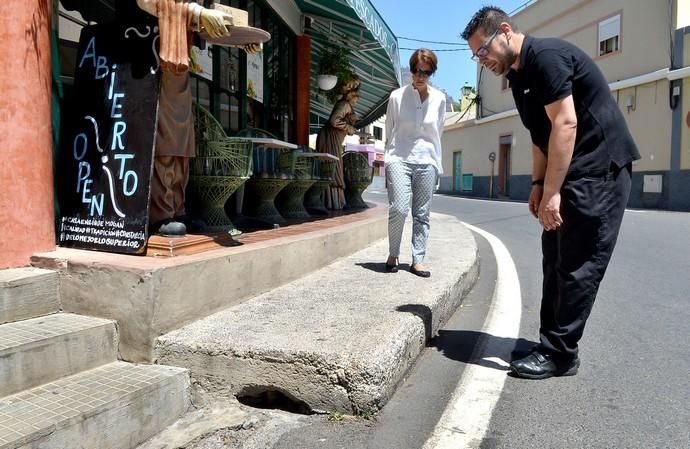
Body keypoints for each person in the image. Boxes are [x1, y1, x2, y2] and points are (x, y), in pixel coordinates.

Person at [461, 7, 640, 379]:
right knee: (554, 258)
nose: (482, 61)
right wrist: (539, 186)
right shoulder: (520, 77)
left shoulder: (546, 58)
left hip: (600, 169)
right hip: (571, 170)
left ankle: (561, 353)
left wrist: (554, 192)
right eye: (476, 57)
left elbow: (565, 122)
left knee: (578, 263)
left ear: (505, 32)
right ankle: (551, 343)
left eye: (483, 51)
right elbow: (540, 137)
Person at [135, 0, 261, 236]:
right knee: (166, 137)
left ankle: (177, 208)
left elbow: (203, 26)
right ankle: (159, 213)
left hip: (177, 68)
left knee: (182, 141)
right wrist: (198, 12)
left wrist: (241, 39)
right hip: (152, 61)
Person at [383, 48, 446, 278]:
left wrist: (435, 162)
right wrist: (387, 159)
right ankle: (393, 253)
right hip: (399, 157)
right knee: (399, 208)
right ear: (411, 71)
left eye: (426, 73)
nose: (421, 77)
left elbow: (437, 131)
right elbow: (389, 130)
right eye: (417, 71)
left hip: (427, 160)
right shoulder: (396, 97)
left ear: (431, 73)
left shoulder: (439, 99)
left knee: (422, 213)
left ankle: (417, 260)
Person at [316, 79, 360, 210]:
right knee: (333, 168)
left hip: (333, 138)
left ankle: (333, 202)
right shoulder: (345, 104)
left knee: (333, 168)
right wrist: (349, 128)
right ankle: (331, 202)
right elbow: (334, 121)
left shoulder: (345, 105)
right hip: (330, 138)